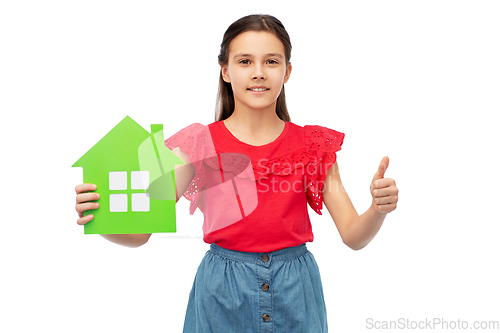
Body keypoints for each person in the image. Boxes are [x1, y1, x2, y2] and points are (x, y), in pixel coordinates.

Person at [75, 14, 399, 333]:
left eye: (271, 62)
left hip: (296, 294)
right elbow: (139, 235)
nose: (258, 73)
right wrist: (99, 217)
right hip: (221, 296)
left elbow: (354, 236)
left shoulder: (312, 145)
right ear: (225, 71)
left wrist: (377, 210)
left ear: (287, 72)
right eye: (245, 62)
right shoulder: (199, 144)